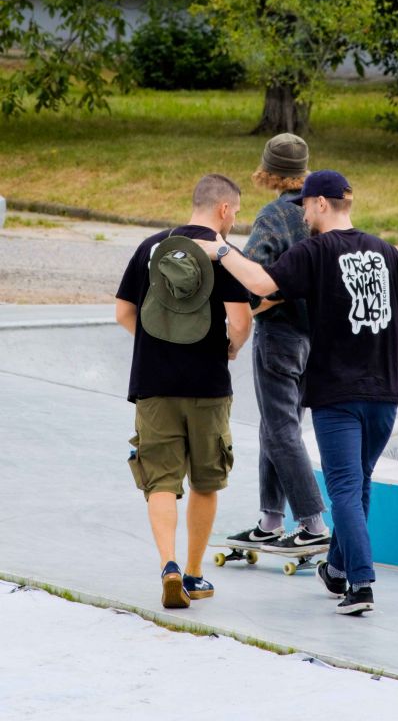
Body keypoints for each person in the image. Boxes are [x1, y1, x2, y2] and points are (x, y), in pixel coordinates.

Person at [195, 170, 398, 616]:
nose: (301, 215)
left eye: (304, 207)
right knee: (358, 484)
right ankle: (338, 570)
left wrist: (221, 251)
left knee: (342, 488)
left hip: (338, 395)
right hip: (385, 395)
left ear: (320, 203)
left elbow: (261, 284)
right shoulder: (385, 250)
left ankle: (361, 584)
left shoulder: (313, 252)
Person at [116, 174, 252, 609]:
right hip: (207, 385)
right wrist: (230, 347)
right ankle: (194, 574)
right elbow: (242, 321)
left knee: (160, 480)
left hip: (153, 384)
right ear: (224, 210)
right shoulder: (222, 254)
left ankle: (169, 566)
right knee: (206, 481)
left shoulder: (151, 248)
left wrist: (153, 346)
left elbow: (123, 311)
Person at [226, 134, 330, 554]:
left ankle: (313, 523)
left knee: (281, 429)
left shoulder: (273, 216)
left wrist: (251, 309)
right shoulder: (321, 212)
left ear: (268, 172)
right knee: (277, 425)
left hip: (281, 336)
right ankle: (270, 520)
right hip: (318, 338)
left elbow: (248, 275)